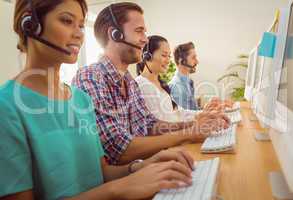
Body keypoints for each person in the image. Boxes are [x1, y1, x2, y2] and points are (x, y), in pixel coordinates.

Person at [0, 1, 200, 199]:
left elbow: (101, 173)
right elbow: (114, 172)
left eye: (80, 25)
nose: (79, 34)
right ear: (28, 23)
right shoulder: (7, 105)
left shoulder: (80, 99)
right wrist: (119, 188)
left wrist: (142, 166)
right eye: (66, 20)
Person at [72, 2, 230, 165]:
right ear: (115, 34)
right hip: (125, 179)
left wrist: (195, 124)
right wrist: (189, 133)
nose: (145, 39)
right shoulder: (91, 77)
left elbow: (149, 125)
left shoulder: (129, 81)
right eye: (139, 31)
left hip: (144, 168)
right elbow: (119, 150)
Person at [135, 35, 201, 122]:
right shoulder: (143, 85)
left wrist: (204, 113)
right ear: (147, 56)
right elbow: (159, 125)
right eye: (164, 55)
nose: (168, 60)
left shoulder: (161, 84)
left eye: (169, 56)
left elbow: (178, 112)